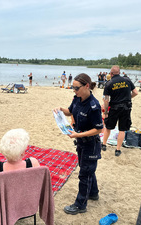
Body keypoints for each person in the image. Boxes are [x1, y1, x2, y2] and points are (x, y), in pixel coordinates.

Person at [54, 73, 103, 215]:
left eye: (76, 88)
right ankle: (93, 193)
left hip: (91, 144)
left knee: (84, 174)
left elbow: (99, 129)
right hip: (80, 142)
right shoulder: (77, 98)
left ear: (87, 86)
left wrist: (78, 134)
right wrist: (61, 110)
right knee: (87, 169)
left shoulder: (94, 106)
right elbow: (70, 111)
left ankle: (80, 205)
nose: (74, 91)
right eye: (73, 88)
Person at [102, 65, 138, 156]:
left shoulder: (109, 83)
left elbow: (106, 100)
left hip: (114, 108)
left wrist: (106, 112)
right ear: (120, 72)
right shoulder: (127, 80)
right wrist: (128, 98)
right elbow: (135, 92)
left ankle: (103, 144)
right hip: (126, 107)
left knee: (108, 127)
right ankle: (117, 149)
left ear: (111, 73)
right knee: (122, 129)